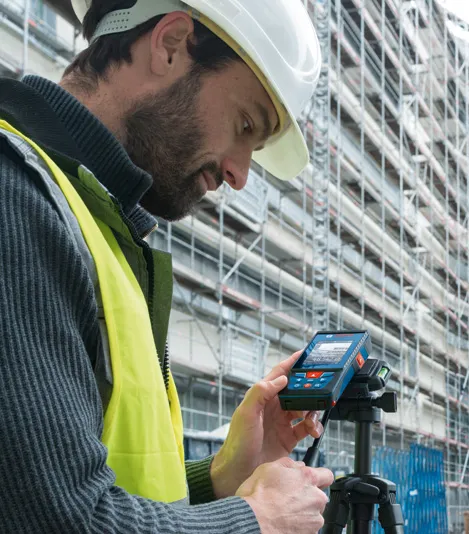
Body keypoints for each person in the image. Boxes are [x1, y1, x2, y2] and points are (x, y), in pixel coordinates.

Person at [0, 0, 334, 532]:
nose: (240, 173)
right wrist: (254, 520)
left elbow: (105, 488)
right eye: (244, 123)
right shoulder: (15, 195)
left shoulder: (94, 222)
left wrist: (223, 478)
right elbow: (62, 519)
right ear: (171, 44)